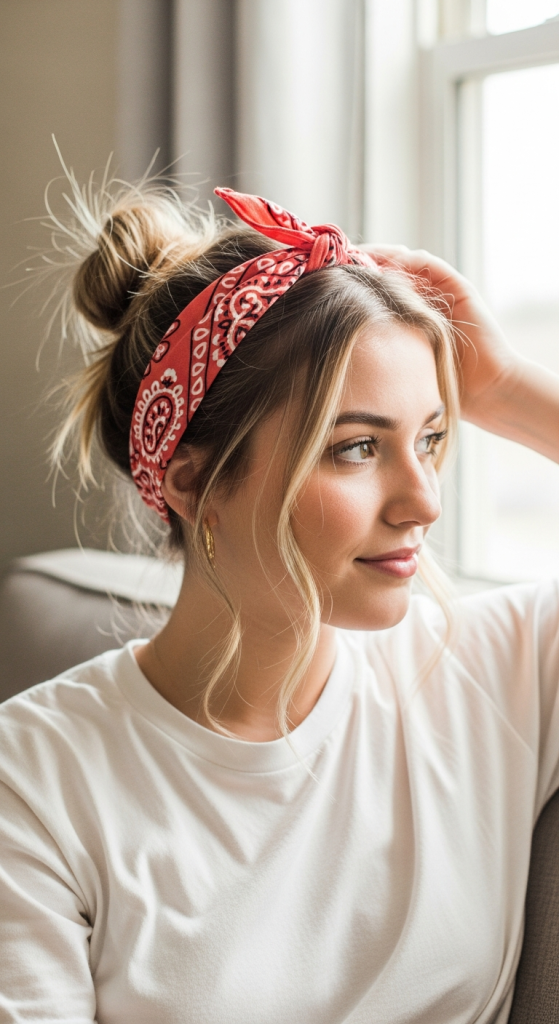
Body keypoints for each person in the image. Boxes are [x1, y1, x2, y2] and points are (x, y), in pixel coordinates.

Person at [1, 175, 558, 1024]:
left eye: (433, 439)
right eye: (358, 447)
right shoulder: (32, 784)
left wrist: (510, 385)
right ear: (194, 482)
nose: (424, 501)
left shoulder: (500, 670)